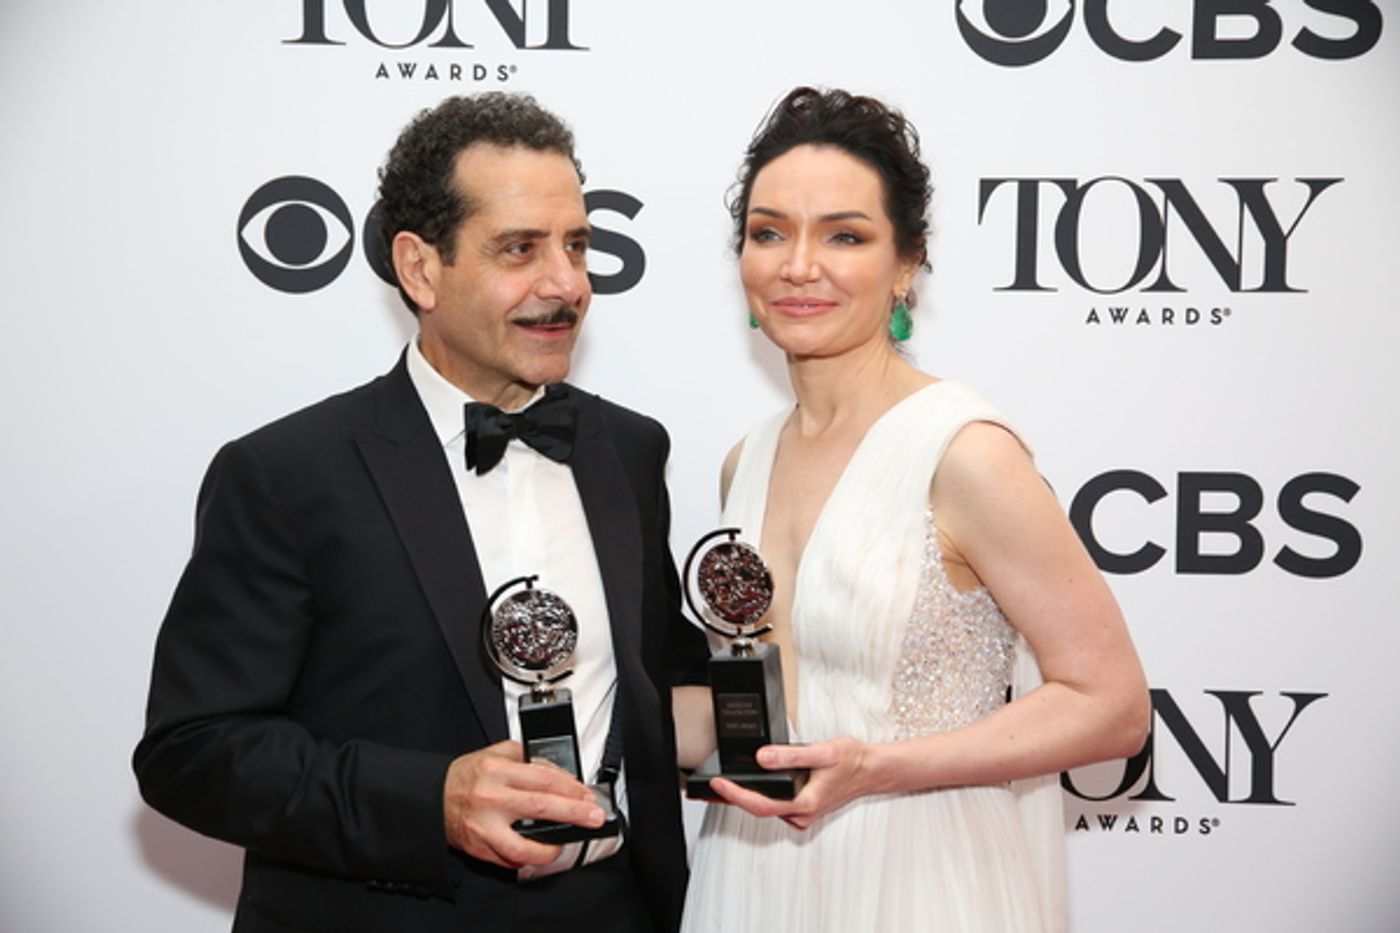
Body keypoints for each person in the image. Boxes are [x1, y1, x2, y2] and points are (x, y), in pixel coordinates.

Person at [134, 93, 710, 933]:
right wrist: (431, 800)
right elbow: (192, 750)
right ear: (419, 268)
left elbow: (665, 679)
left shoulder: (628, 449)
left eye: (578, 245)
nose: (567, 284)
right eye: (520, 248)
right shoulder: (286, 475)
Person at [678, 87, 1151, 933]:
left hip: (919, 875)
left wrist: (880, 768)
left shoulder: (964, 452)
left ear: (906, 264)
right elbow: (762, 695)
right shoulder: (744, 462)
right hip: (754, 869)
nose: (799, 265)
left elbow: (1111, 704)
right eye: (769, 232)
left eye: (845, 236)